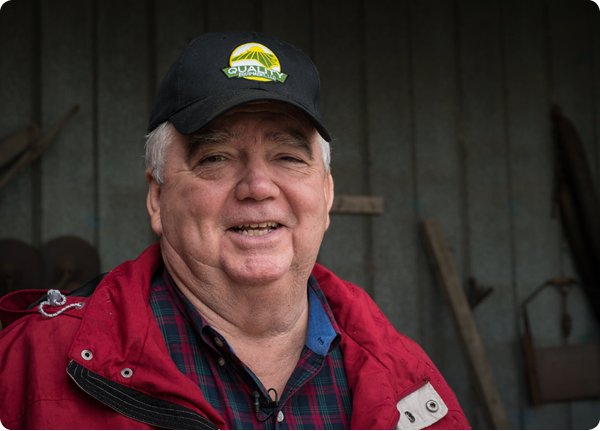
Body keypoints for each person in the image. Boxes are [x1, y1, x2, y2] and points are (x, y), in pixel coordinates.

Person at [0, 31, 469, 430]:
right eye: (216, 158)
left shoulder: (407, 378)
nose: (258, 186)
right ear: (157, 198)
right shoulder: (29, 362)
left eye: (288, 156)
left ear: (325, 195)